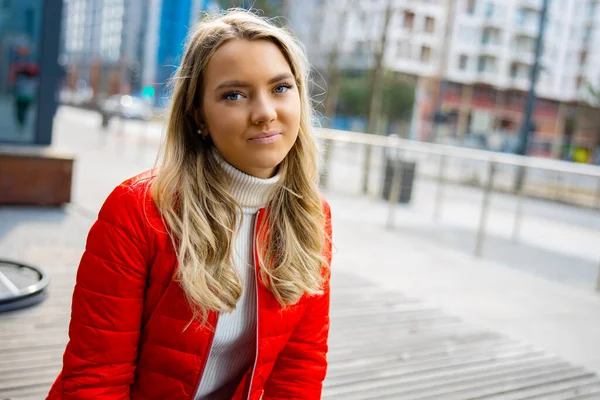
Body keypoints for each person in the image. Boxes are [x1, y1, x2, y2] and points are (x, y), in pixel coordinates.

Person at [47, 9, 332, 400]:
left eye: (280, 87)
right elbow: (96, 379)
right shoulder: (137, 212)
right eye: (234, 94)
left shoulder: (312, 216)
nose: (266, 112)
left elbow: (300, 368)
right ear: (198, 115)